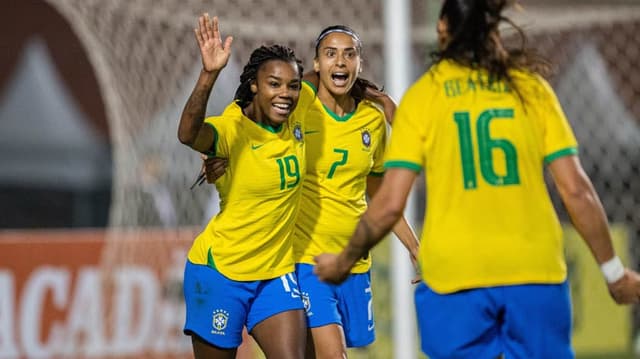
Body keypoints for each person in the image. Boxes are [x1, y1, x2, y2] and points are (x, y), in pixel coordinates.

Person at [313, 1, 640, 358]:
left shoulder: (425, 97)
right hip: (533, 270)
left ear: (442, 29)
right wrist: (614, 273)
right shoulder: (531, 90)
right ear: (493, 31)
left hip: (454, 275)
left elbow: (389, 202)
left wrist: (343, 261)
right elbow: (576, 190)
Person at [201, 25, 421, 358]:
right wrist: (216, 154)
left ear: (359, 64)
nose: (340, 62)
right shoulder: (299, 102)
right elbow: (245, 118)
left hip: (354, 263)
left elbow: (378, 193)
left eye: (349, 54)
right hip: (306, 260)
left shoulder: (372, 122)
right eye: (330, 54)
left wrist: (413, 247)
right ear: (316, 64)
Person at [178, 14, 313, 359]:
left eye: (292, 85)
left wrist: (380, 98)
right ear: (254, 84)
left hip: (275, 274)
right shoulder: (232, 130)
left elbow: (329, 77)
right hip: (222, 273)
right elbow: (189, 134)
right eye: (275, 84)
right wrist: (209, 75)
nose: (286, 94)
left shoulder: (298, 109)